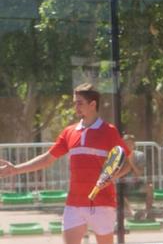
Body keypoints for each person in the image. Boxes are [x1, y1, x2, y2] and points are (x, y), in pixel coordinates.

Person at [0, 83, 132, 244]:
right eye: (75, 102)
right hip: (74, 204)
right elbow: (48, 158)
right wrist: (15, 169)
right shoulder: (69, 132)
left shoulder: (109, 131)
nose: (75, 106)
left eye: (79, 103)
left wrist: (112, 177)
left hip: (102, 203)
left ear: (93, 104)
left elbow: (127, 163)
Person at [121, 134, 154, 221]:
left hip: (136, 182)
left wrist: (131, 162)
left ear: (134, 145)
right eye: (126, 144)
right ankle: (132, 212)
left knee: (150, 187)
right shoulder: (119, 157)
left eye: (130, 144)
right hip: (123, 184)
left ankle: (147, 212)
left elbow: (139, 173)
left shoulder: (140, 155)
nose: (128, 146)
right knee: (116, 190)